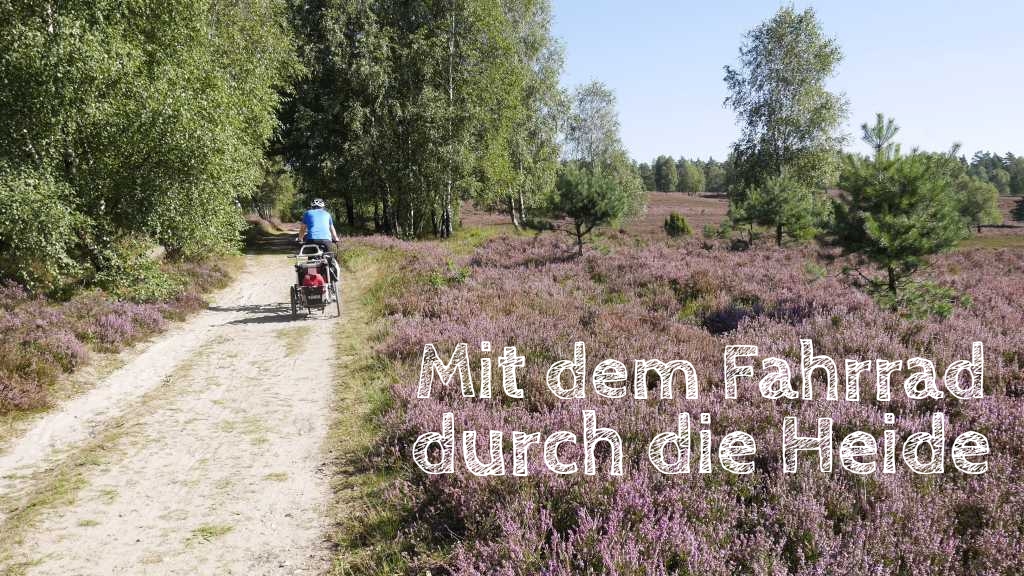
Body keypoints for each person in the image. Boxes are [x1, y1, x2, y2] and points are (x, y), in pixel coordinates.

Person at [297, 198, 340, 282]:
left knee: (311, 263)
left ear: (312, 206)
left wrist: (300, 239)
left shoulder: (307, 213)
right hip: (326, 241)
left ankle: (312, 280)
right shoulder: (327, 214)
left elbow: (303, 229)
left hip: (311, 240)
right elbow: (332, 229)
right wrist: (336, 238)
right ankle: (331, 280)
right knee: (330, 260)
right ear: (323, 207)